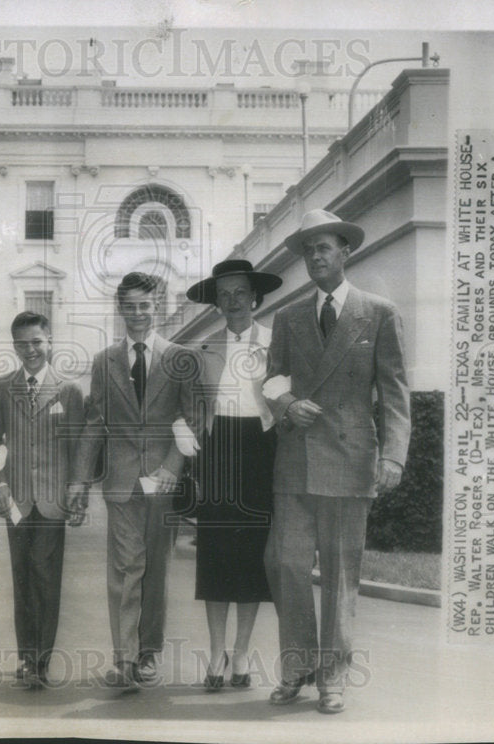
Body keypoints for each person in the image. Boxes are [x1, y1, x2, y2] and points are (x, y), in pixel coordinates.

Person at [262, 209, 410, 714]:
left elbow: (394, 392)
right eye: (308, 251)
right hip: (296, 460)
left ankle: (333, 677)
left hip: (350, 458)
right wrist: (286, 405)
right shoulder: (288, 317)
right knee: (287, 566)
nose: (315, 257)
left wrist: (393, 454)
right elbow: (272, 378)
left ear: (345, 252)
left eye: (324, 247)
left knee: (342, 575)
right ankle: (298, 666)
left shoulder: (379, 312)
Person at [70, 272, 199, 692]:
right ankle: (124, 658)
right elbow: (94, 426)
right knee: (127, 567)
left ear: (156, 307)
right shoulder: (105, 361)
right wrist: (79, 481)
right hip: (122, 482)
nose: (139, 314)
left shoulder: (180, 357)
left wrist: (172, 468)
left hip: (163, 481)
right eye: (131, 306)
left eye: (146, 305)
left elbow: (193, 420)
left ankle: (149, 653)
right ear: (120, 309)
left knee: (155, 571)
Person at [185, 259, 282, 691]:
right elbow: (190, 409)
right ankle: (216, 655)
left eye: (240, 292)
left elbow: (285, 400)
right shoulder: (205, 349)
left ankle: (242, 652)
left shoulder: (276, 343)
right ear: (217, 302)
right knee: (216, 557)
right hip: (218, 450)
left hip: (261, 449)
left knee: (251, 558)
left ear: (254, 296)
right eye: (224, 294)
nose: (233, 301)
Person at [0, 312, 86, 689]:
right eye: (22, 343)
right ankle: (26, 656)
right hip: (16, 501)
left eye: (37, 341)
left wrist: (79, 493)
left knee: (45, 574)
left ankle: (41, 660)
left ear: (50, 341)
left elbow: (79, 447)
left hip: (53, 500)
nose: (30, 350)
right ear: (14, 346)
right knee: (22, 577)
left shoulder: (69, 390)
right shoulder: (2, 388)